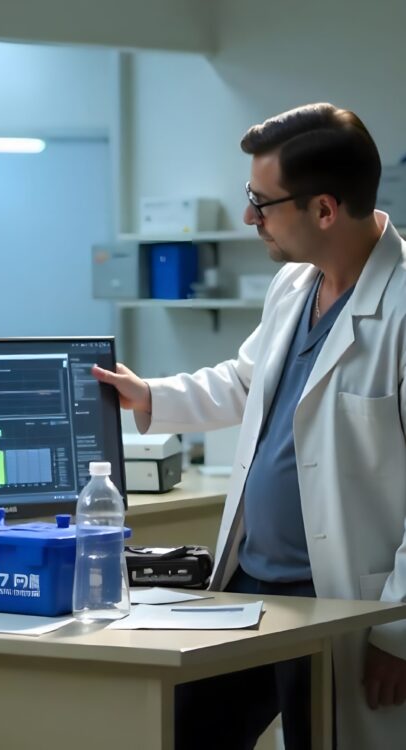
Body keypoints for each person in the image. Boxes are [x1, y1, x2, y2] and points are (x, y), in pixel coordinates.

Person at [93, 103, 406, 749]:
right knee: (186, 730)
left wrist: (400, 636)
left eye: (262, 203)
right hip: (253, 584)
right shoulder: (295, 285)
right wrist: (147, 393)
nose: (248, 218)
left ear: (323, 209)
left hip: (345, 597)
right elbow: (246, 380)